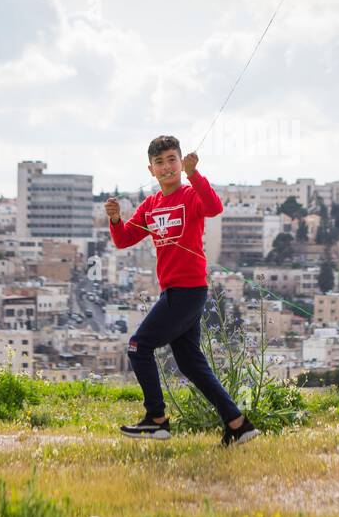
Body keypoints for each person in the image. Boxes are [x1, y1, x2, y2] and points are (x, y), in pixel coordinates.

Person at [106, 134, 258, 447]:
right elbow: (123, 240)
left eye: (171, 160)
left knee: (138, 347)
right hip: (174, 292)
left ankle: (157, 420)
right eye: (159, 163)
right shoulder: (151, 205)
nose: (166, 167)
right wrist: (116, 220)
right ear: (151, 170)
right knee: (190, 363)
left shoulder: (190, 195)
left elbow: (215, 208)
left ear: (180, 161)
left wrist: (194, 173)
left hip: (188, 290)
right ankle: (238, 424)